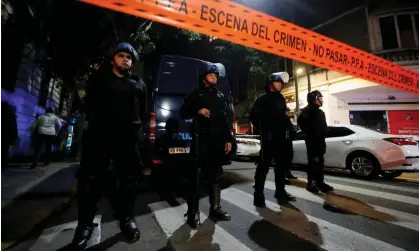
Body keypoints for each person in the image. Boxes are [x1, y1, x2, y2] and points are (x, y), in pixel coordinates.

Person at [71, 42, 147, 250]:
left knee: (128, 183)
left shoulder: (139, 84)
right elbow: (88, 106)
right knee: (90, 183)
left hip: (127, 141)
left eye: (129, 57)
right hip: (99, 138)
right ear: (113, 58)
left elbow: (142, 111)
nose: (125, 59)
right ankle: (84, 226)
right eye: (121, 55)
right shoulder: (99, 80)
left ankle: (127, 219)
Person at [180, 63, 233, 229]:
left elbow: (224, 120)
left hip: (217, 143)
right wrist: (198, 110)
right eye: (211, 74)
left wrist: (228, 139)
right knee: (196, 177)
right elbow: (183, 112)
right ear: (204, 77)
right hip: (201, 141)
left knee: (215, 176)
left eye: (216, 75)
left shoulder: (220, 95)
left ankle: (215, 208)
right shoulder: (196, 94)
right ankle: (192, 212)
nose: (214, 77)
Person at [250, 72, 296, 208]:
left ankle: (280, 191)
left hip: (282, 139)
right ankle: (258, 195)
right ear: (270, 84)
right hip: (269, 139)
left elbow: (284, 117)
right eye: (278, 82)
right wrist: (264, 130)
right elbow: (254, 118)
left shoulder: (281, 99)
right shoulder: (263, 99)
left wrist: (289, 127)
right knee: (263, 167)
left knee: (281, 167)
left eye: (281, 83)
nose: (280, 85)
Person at [297, 90, 334, 193]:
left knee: (320, 163)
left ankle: (320, 182)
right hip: (312, 142)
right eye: (320, 98)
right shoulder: (306, 111)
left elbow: (323, 126)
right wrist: (311, 133)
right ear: (314, 99)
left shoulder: (320, 112)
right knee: (313, 163)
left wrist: (325, 132)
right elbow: (303, 124)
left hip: (320, 141)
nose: (322, 101)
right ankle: (311, 183)